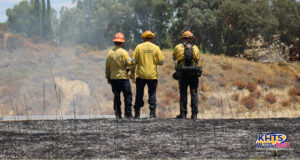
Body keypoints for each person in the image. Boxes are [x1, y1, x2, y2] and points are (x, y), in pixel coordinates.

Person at [130, 30, 164, 119]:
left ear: (143, 38)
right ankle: (152, 114)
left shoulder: (139, 47)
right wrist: (153, 61)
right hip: (152, 75)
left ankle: (137, 114)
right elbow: (161, 62)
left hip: (141, 75)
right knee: (152, 93)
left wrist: (132, 74)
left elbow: (133, 62)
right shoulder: (156, 47)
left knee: (139, 93)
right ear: (152, 38)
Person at [173, 31, 202, 119]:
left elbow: (174, 57)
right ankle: (194, 114)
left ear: (183, 38)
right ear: (191, 39)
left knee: (183, 93)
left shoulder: (178, 47)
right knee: (193, 93)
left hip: (182, 74)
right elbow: (197, 58)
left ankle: (183, 113)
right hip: (193, 74)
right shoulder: (196, 48)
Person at [105, 32, 135, 119]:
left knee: (116, 96)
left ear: (115, 42)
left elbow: (107, 67)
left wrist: (108, 77)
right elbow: (129, 63)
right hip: (123, 78)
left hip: (113, 78)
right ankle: (128, 114)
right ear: (122, 42)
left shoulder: (110, 53)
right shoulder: (124, 52)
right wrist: (134, 63)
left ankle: (118, 114)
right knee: (127, 95)